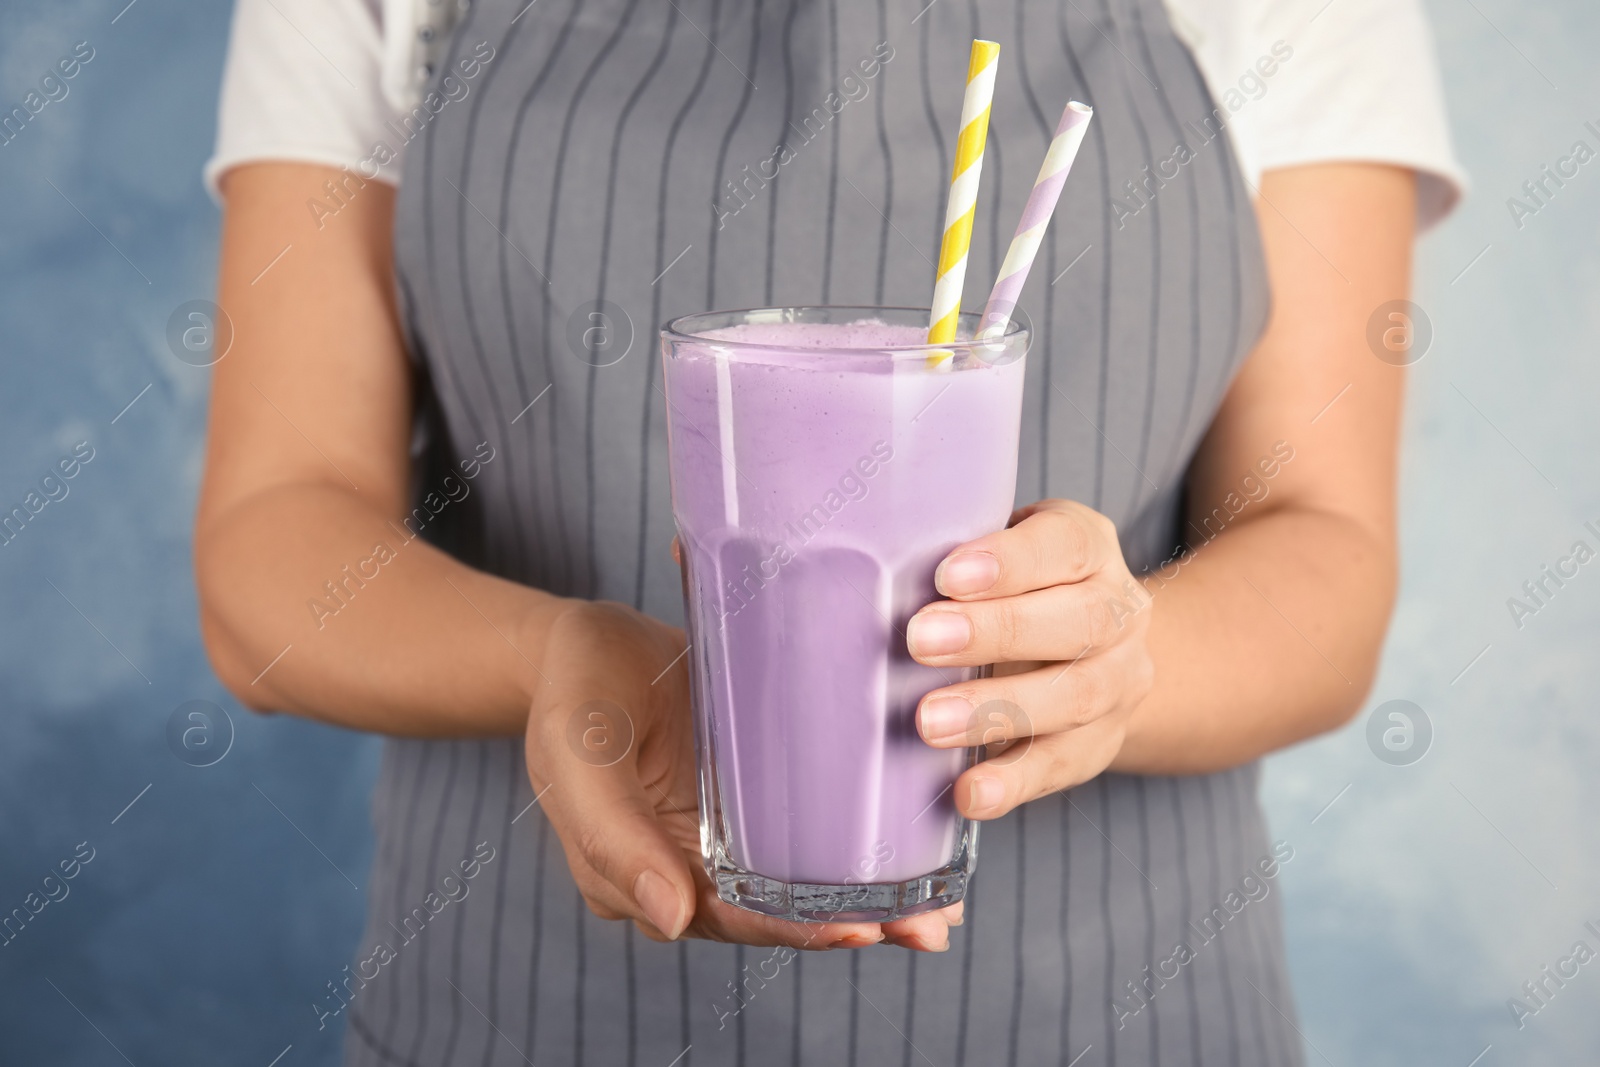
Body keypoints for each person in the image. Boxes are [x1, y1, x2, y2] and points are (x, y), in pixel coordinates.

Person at [195, 0, 1462, 1062]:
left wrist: (1123, 662)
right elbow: (269, 543)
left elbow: (1327, 550)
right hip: (517, 1004)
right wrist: (554, 657)